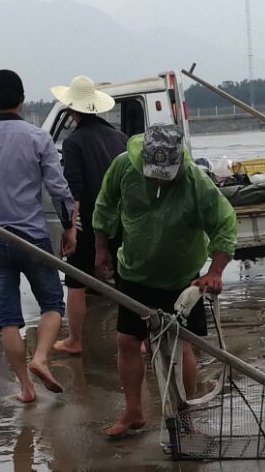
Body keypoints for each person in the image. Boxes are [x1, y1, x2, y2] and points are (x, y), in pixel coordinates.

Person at [90, 124, 238, 438]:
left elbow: (224, 224)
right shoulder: (122, 167)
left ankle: (185, 416)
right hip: (134, 271)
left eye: (165, 174)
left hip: (180, 277)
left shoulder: (195, 182)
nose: (158, 180)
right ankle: (133, 412)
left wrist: (214, 272)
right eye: (153, 173)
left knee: (179, 346)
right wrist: (101, 249)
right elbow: (104, 206)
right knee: (127, 342)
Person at [0, 70, 77, 404]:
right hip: (32, 236)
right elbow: (59, 189)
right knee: (52, 303)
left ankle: (25, 387)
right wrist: (69, 228)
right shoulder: (38, 137)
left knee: (8, 320)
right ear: (22, 99)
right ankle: (40, 358)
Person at [48, 77, 128, 357]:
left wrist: (69, 229)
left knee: (76, 281)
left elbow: (74, 191)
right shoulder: (120, 138)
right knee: (125, 279)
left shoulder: (73, 142)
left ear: (73, 110)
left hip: (90, 222)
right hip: (121, 220)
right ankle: (136, 340)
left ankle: (75, 340)